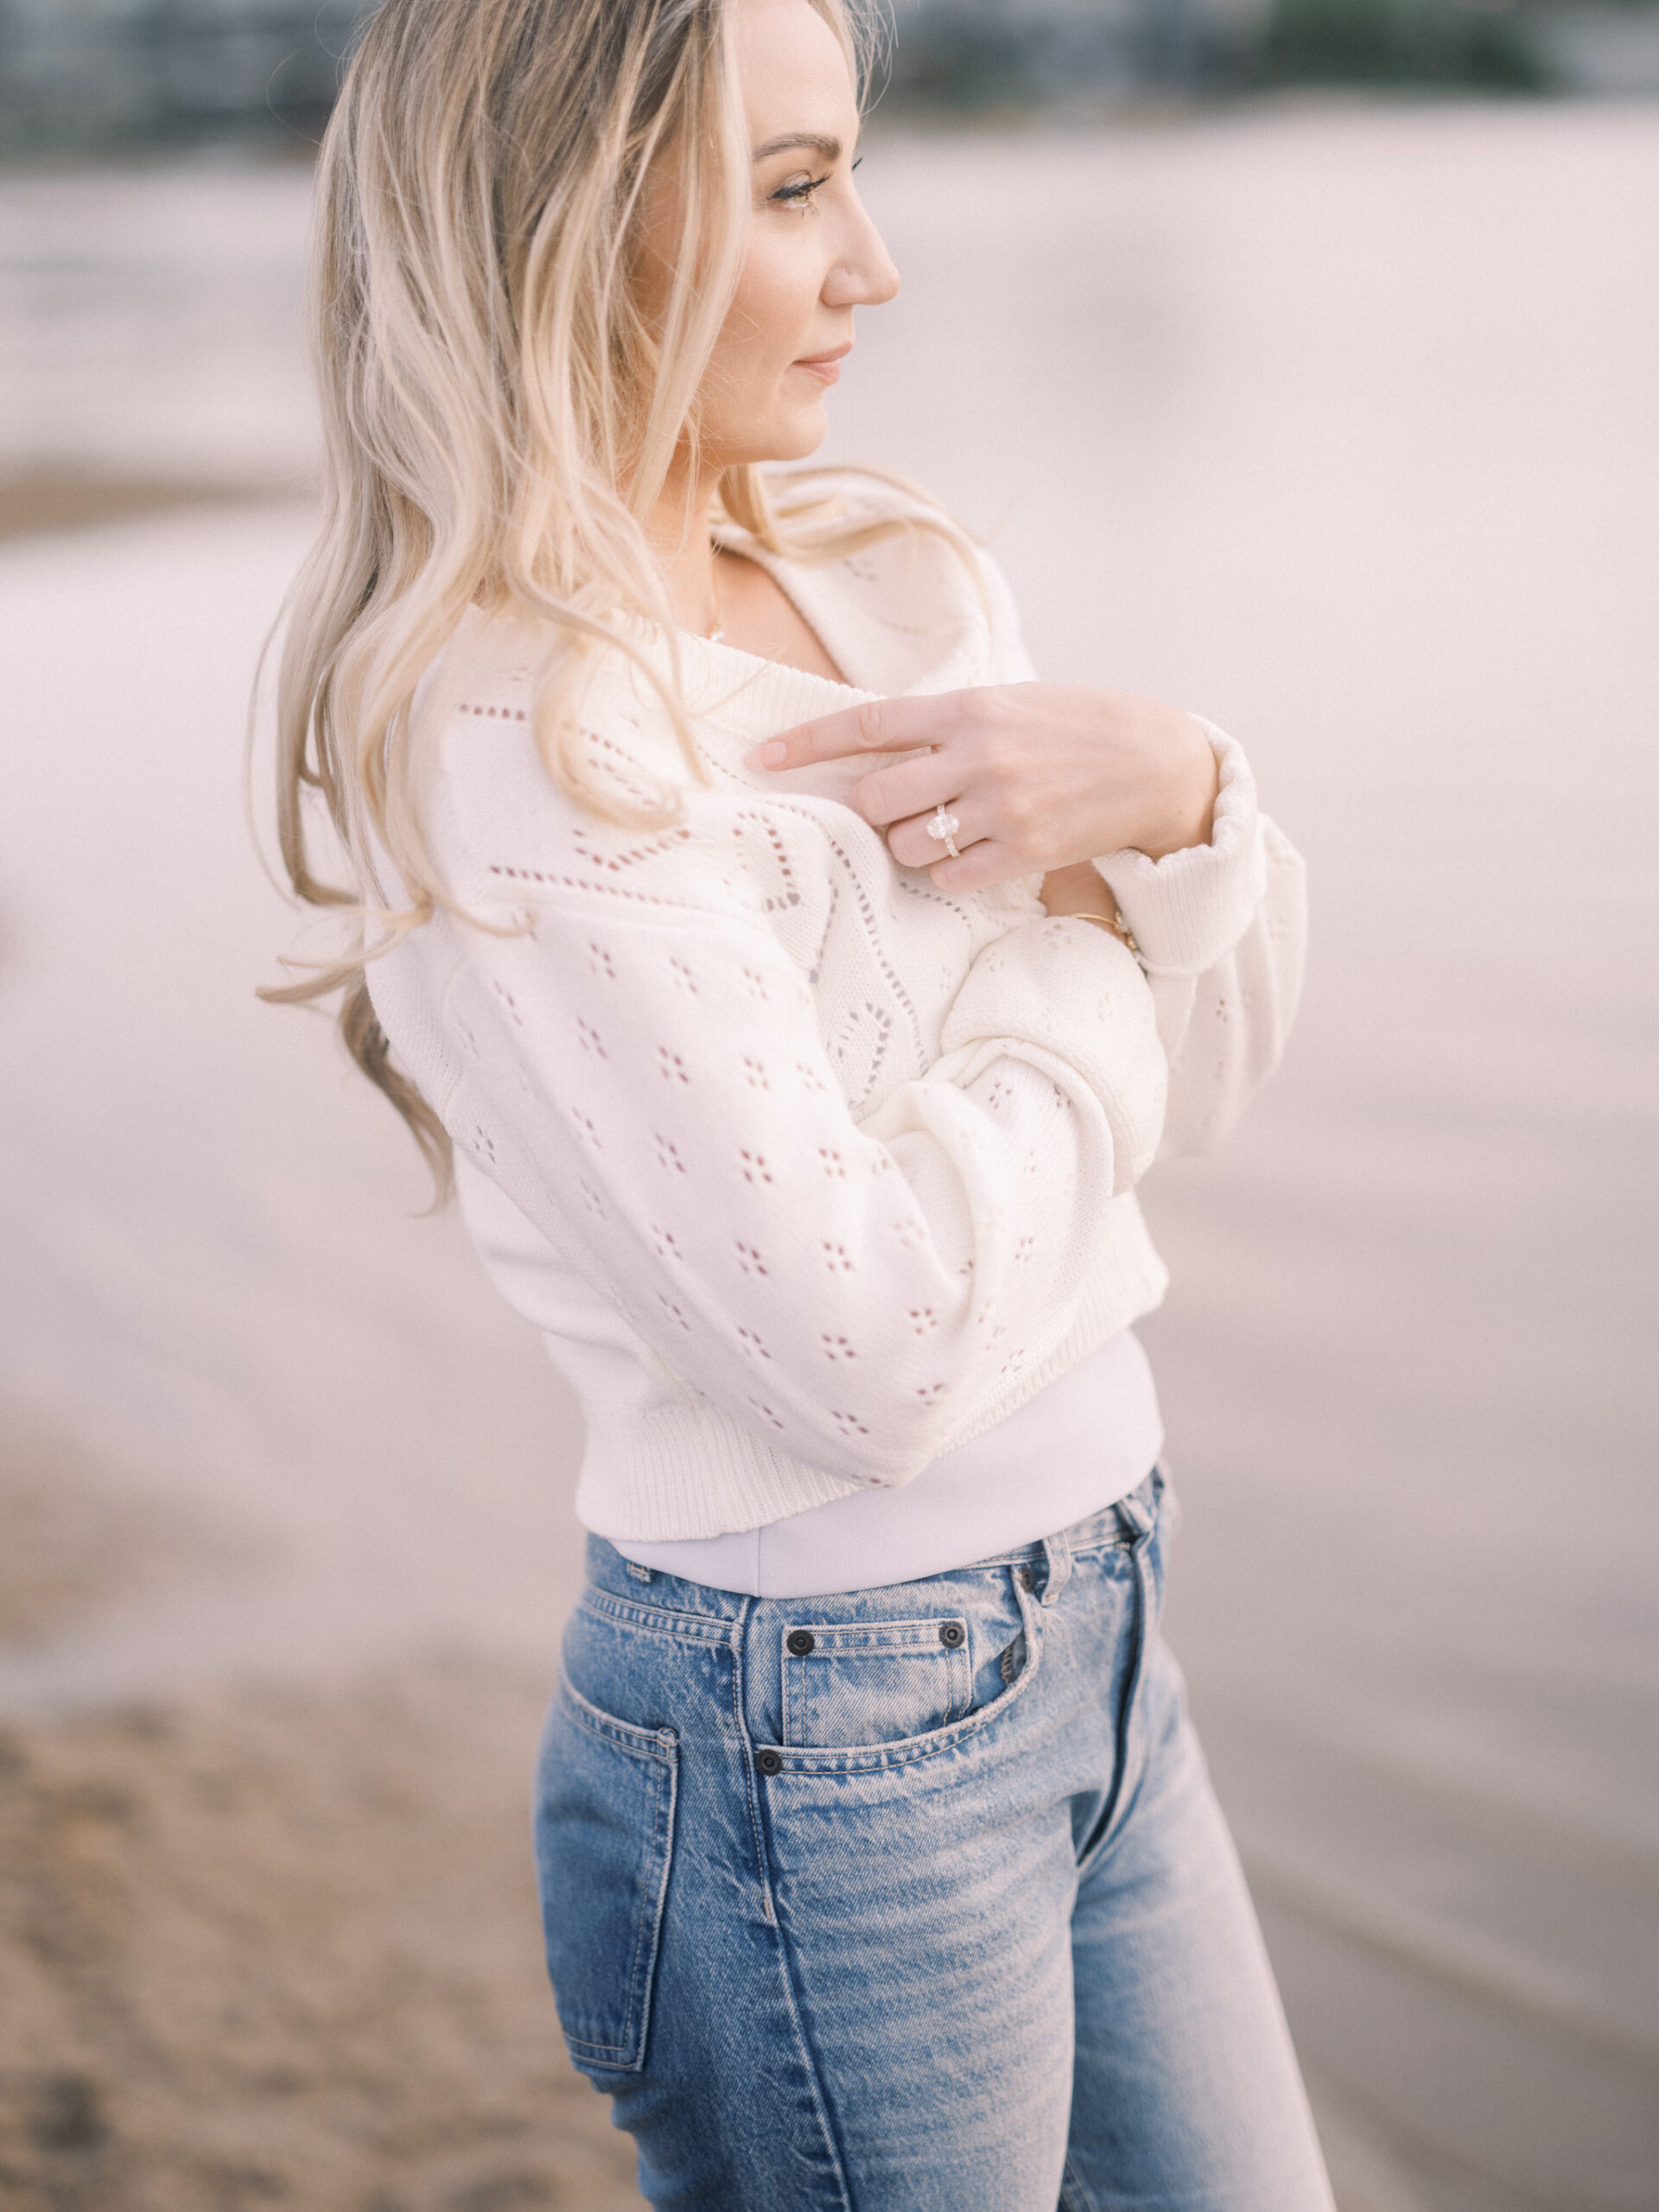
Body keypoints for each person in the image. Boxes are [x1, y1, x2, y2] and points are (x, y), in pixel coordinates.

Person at [266, 0, 1334, 2205]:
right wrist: (1087, 961)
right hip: (818, 1736)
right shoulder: (525, 740)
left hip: (1113, 1618)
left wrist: (1194, 797)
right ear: (571, 227)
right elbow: (868, 1353)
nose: (874, 259)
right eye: (789, 186)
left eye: (848, 164)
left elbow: (1209, 1086)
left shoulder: (895, 577)